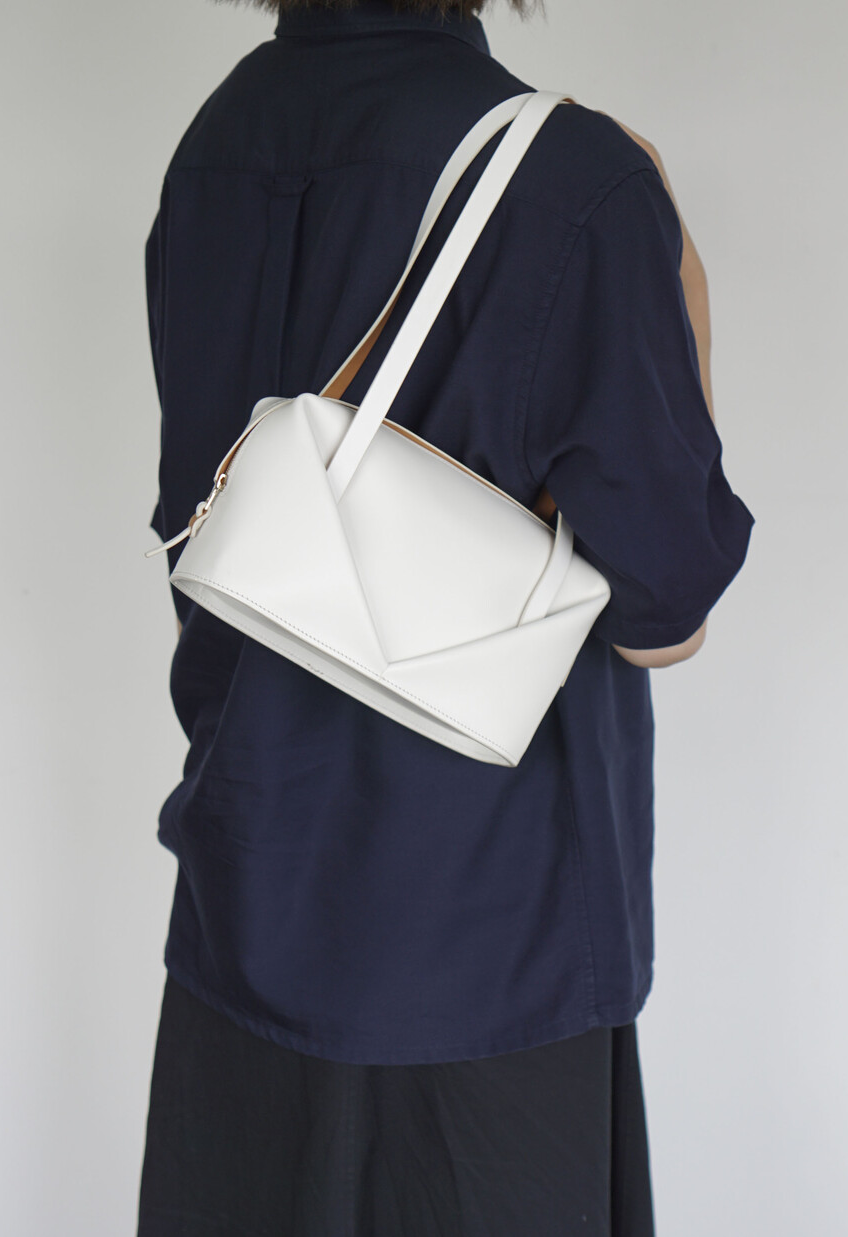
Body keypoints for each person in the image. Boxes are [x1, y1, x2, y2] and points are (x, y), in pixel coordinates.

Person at [137, 1, 755, 1233]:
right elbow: (666, 608)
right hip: (490, 944)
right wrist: (678, 260)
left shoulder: (215, 142)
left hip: (242, 895)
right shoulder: (576, 175)